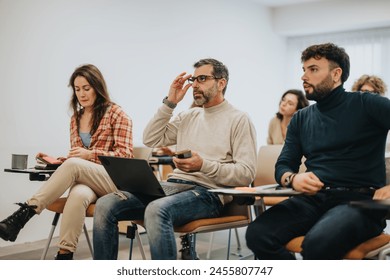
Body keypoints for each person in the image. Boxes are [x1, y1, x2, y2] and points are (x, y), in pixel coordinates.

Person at [93, 58, 257, 260]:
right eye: (194, 79)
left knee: (156, 210)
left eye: (202, 79)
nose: (195, 85)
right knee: (105, 205)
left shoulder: (239, 119)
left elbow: (246, 173)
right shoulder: (188, 116)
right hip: (172, 187)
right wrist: (170, 102)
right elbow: (151, 138)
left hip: (208, 194)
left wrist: (203, 165)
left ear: (221, 83)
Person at [245, 43, 390, 260]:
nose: (304, 76)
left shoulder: (367, 104)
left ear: (336, 74)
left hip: (361, 202)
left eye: (313, 69)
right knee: (257, 234)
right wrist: (292, 179)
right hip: (313, 199)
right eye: (303, 70)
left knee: (317, 244)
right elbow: (284, 164)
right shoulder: (301, 118)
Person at [0, 64, 133, 259]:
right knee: (77, 196)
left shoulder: (117, 114)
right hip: (88, 180)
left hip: (113, 181)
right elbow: (77, 158)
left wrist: (89, 155)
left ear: (97, 87)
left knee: (73, 168)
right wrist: (58, 161)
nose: (82, 94)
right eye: (77, 89)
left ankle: (23, 215)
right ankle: (64, 256)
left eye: (86, 88)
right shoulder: (75, 119)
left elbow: (125, 156)